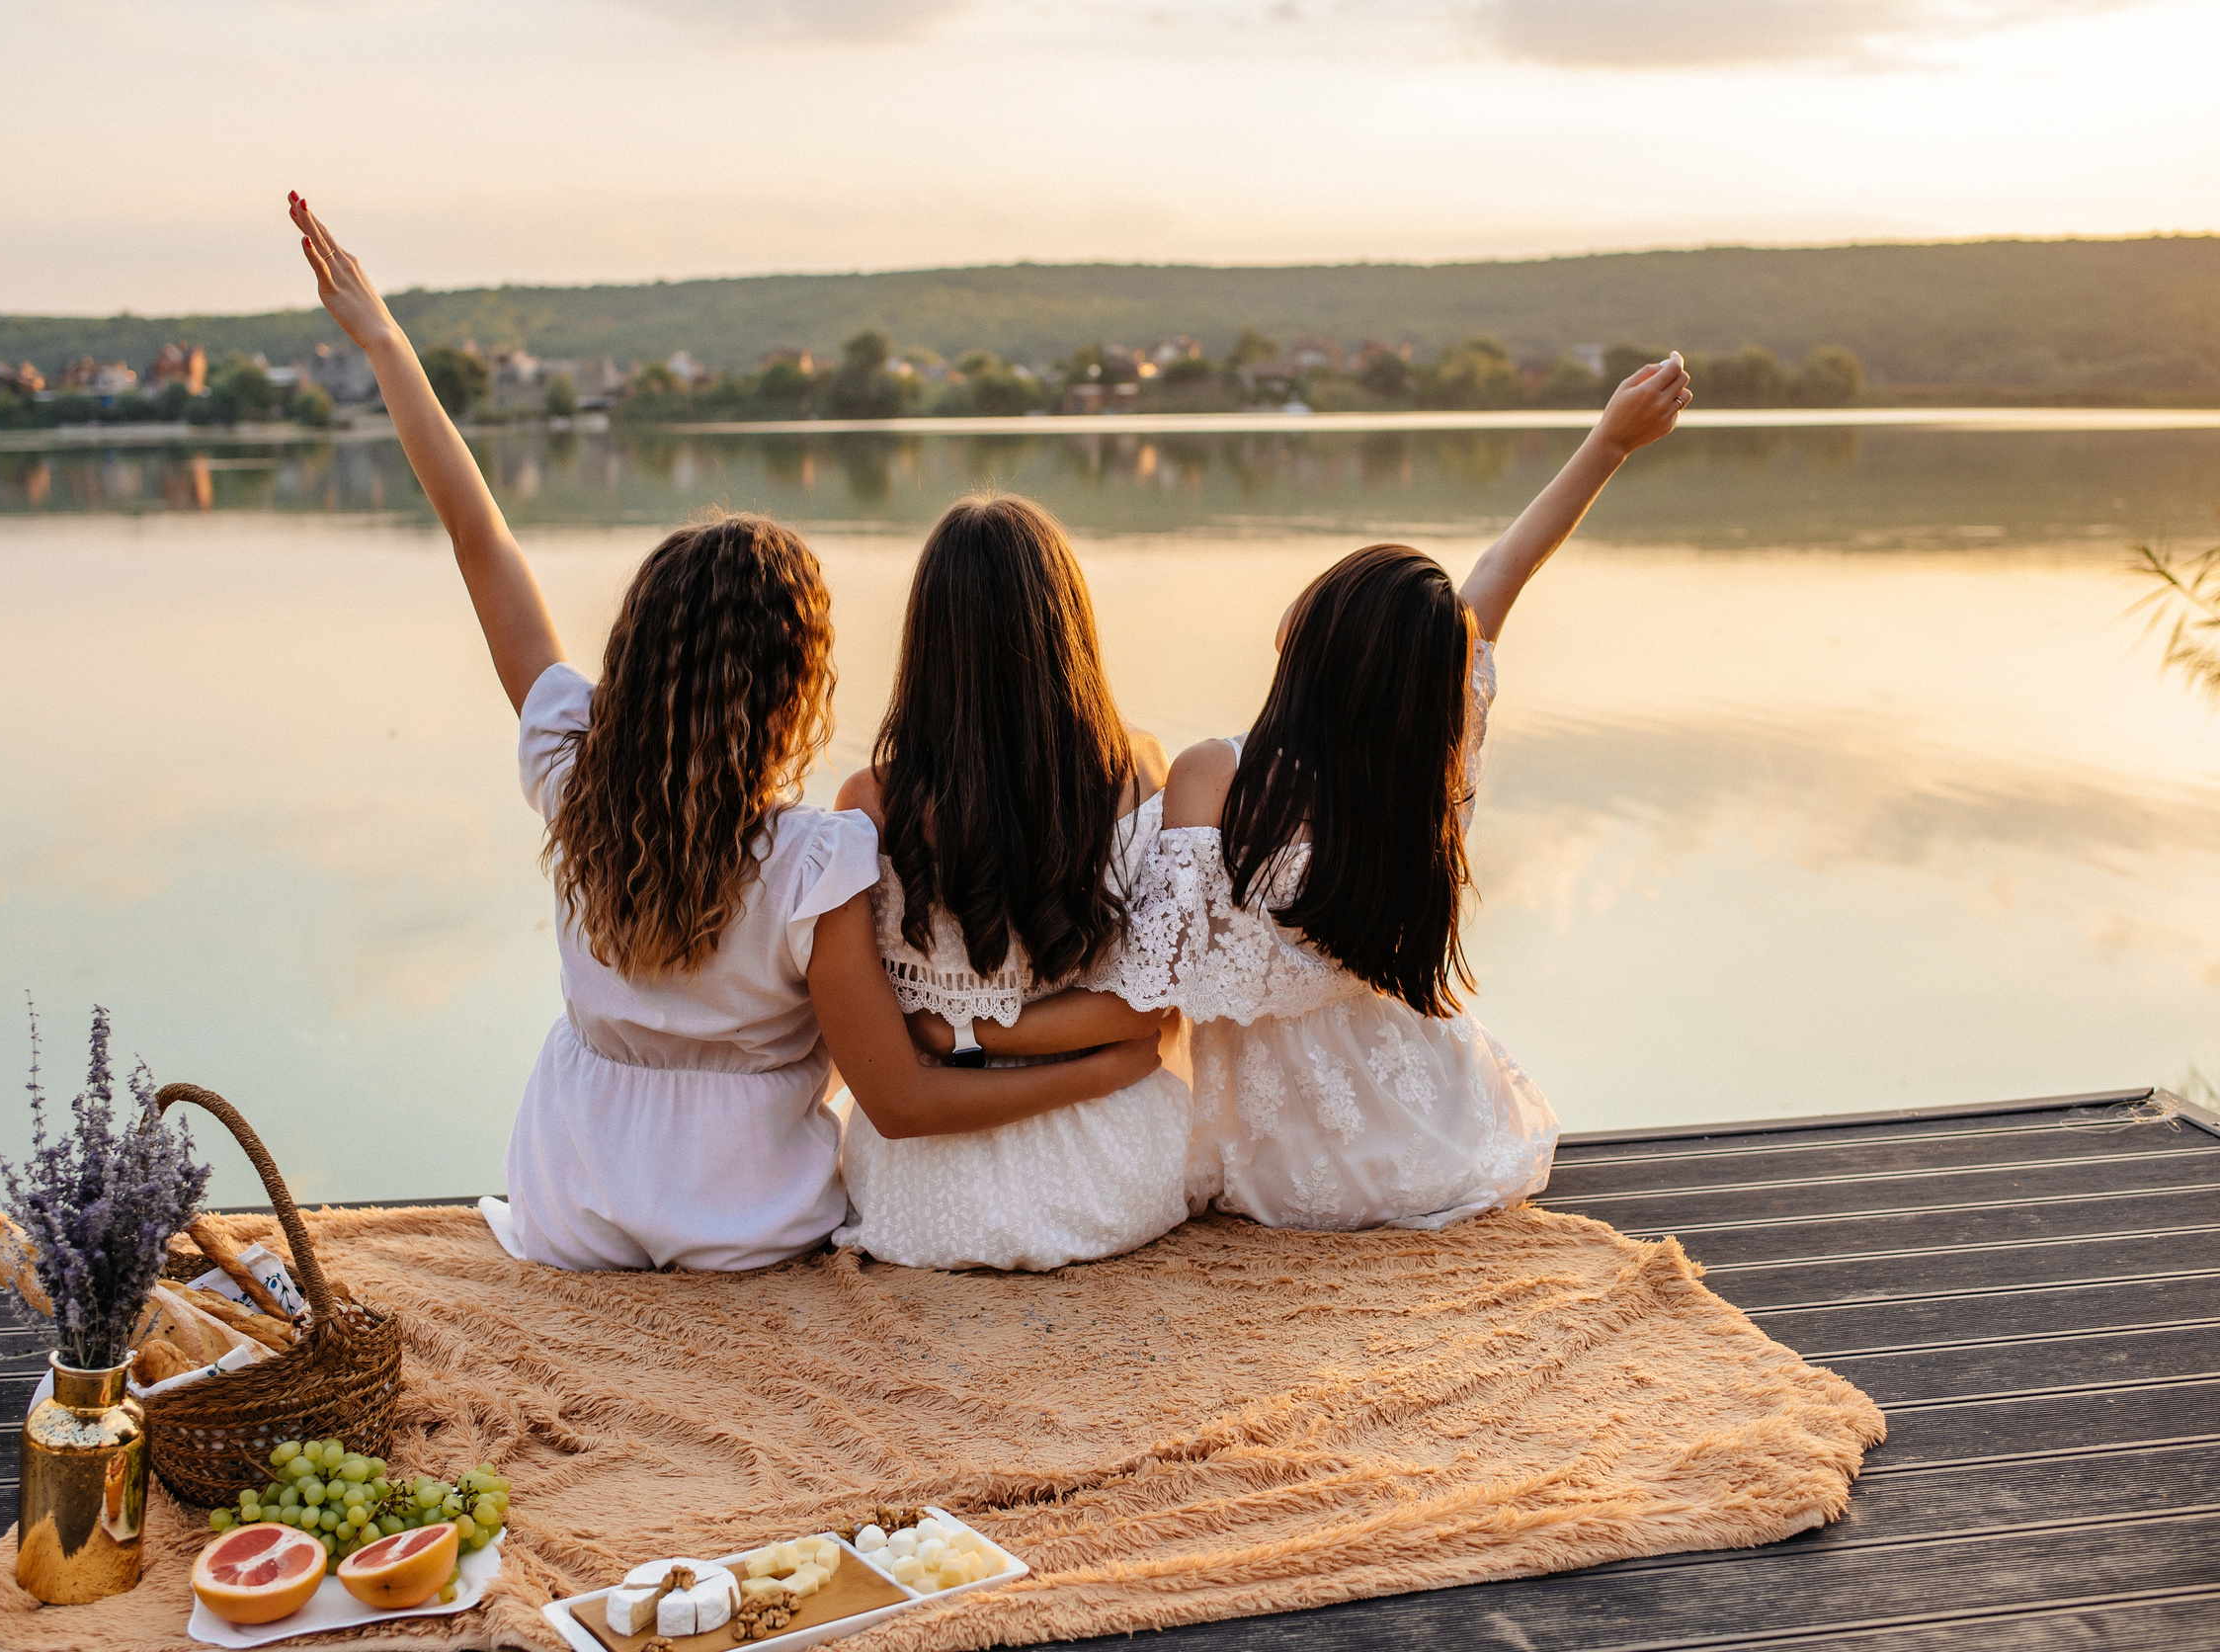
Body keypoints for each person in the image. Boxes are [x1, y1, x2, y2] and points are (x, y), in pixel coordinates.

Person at [286, 194, 1160, 1271]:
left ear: (640, 652)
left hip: (576, 1207)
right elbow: (902, 1094)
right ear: (795, 687)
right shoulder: (816, 865)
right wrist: (1113, 1062)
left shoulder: (572, 774)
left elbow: (480, 539)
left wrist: (387, 344)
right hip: (753, 1227)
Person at [998, 355, 1693, 1230]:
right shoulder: (1430, 753)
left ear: (1314, 638)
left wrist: (981, 1033)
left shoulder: (1216, 773)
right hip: (1431, 1125)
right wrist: (1610, 443)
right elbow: (1498, 574)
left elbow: (1151, 989)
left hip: (1281, 1159)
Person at [830, 496, 1192, 1271]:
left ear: (925, 643)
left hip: (923, 1192)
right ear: (1069, 629)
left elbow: (888, 1044)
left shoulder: (870, 801)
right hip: (1114, 1171)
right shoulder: (1138, 773)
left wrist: (959, 1030)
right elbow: (1147, 1014)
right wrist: (1091, 1055)